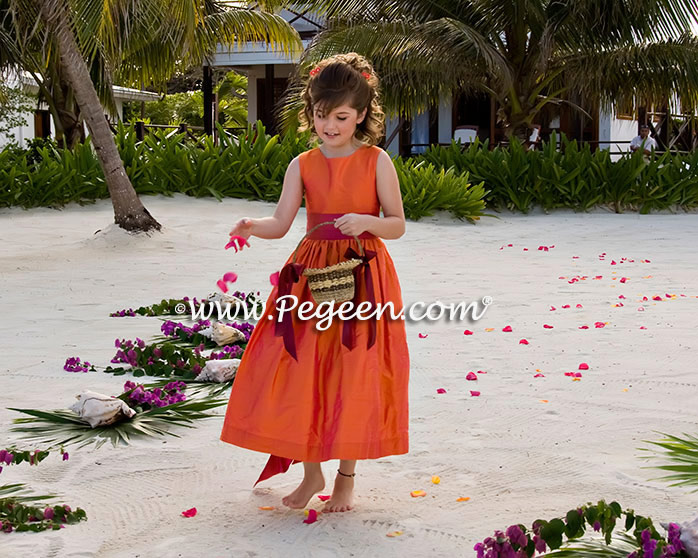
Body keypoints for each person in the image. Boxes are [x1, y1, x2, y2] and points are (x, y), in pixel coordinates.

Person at [220, 52, 410, 514]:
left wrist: (367, 221)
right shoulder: (302, 163)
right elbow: (283, 222)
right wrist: (251, 224)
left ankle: (345, 478)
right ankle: (311, 473)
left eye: (342, 117)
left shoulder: (376, 160)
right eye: (322, 116)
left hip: (363, 276)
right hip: (309, 276)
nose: (330, 126)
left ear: (361, 114)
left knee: (352, 373)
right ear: (312, 111)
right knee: (302, 368)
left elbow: (398, 223)